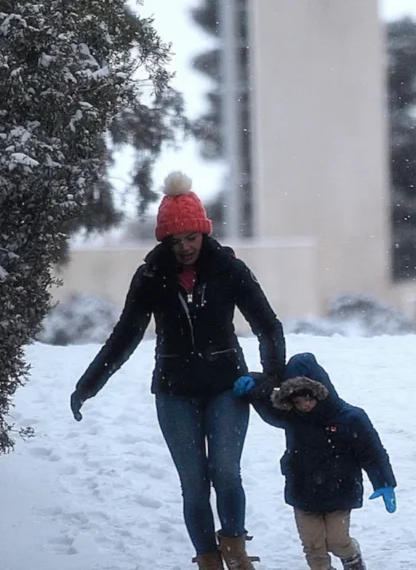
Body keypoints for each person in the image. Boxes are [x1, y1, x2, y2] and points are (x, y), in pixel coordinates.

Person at [69, 171, 286, 570]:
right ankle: (208, 560)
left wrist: (274, 378)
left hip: (226, 386)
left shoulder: (229, 268)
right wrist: (89, 383)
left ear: (203, 233)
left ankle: (236, 553)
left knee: (226, 473)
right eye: (176, 240)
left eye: (192, 237)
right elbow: (126, 334)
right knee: (193, 486)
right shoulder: (151, 276)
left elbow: (267, 325)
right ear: (165, 241)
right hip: (173, 391)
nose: (185, 247)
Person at [234, 353, 397, 570]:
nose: (304, 406)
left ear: (321, 390)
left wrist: (384, 482)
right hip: (303, 491)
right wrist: (253, 384)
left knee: (338, 541)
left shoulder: (351, 418)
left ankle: (352, 558)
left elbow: (372, 452)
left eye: (308, 399)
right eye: (297, 401)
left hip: (340, 491)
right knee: (313, 547)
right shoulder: (291, 417)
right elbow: (267, 400)